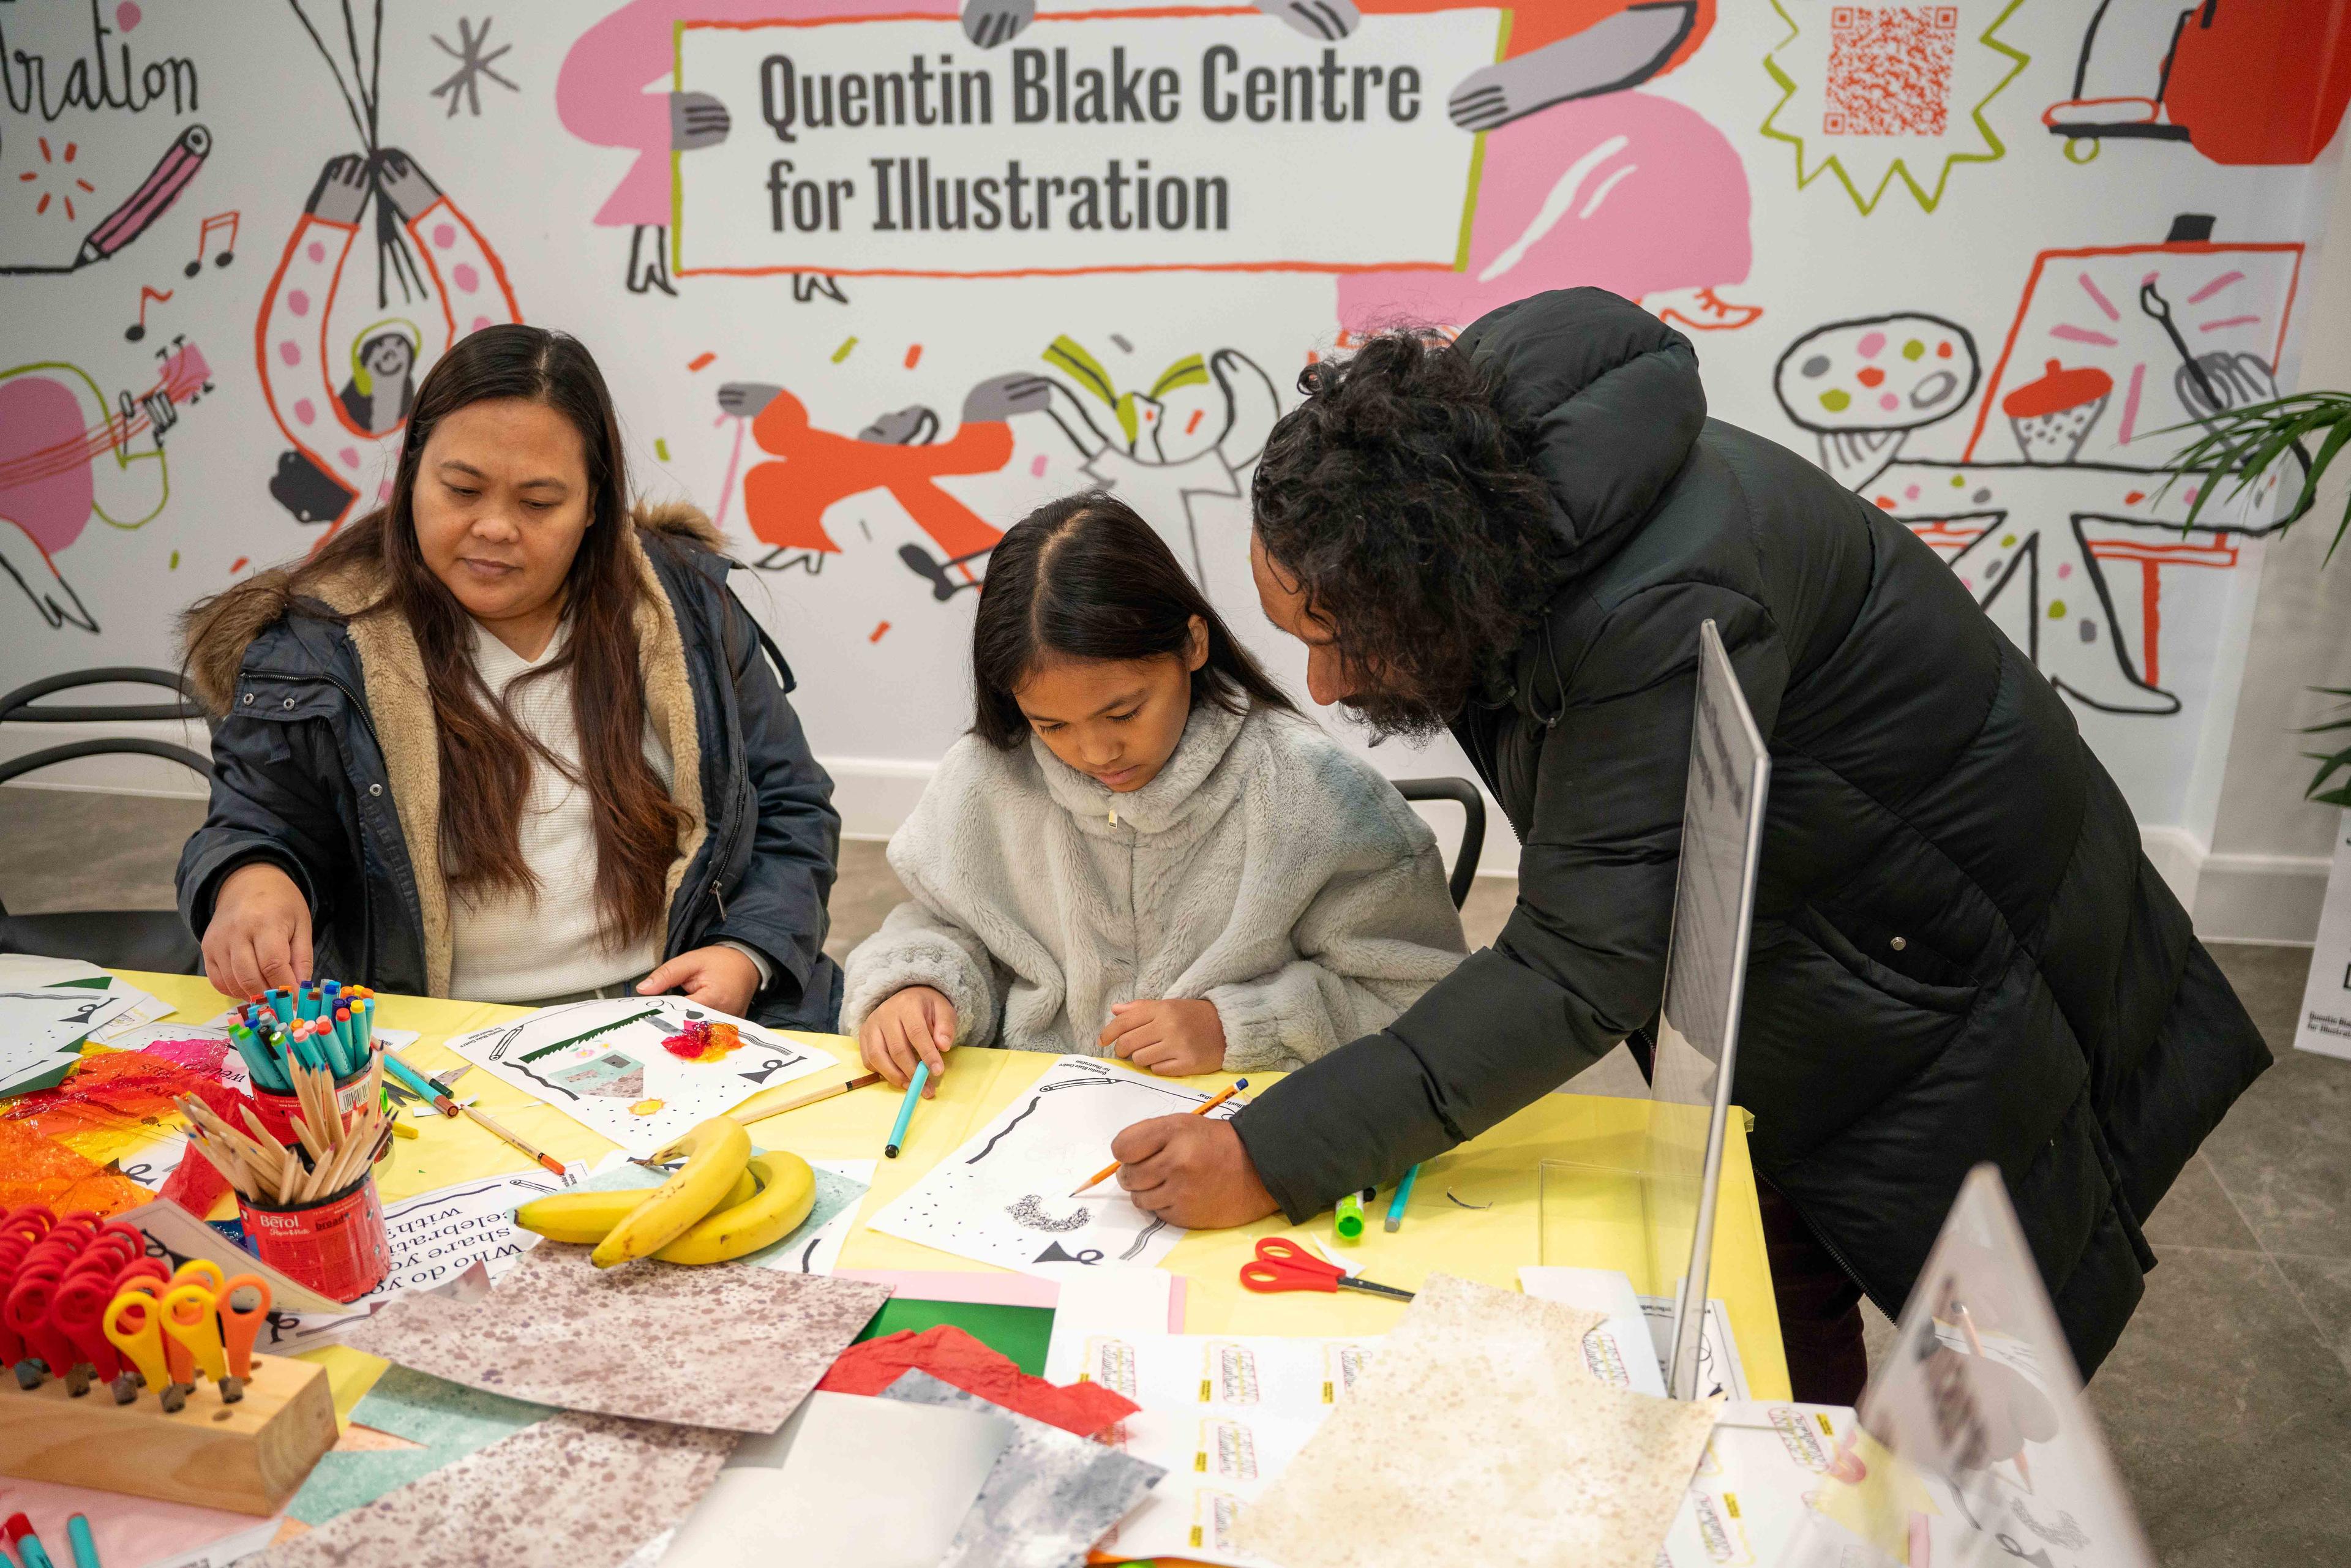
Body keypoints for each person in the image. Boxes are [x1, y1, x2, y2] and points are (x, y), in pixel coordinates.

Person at [1105, 288, 2270, 1400]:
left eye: (1341, 637)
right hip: (1842, 891)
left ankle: (1835, 1511)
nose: (1325, 681)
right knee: (1762, 1234)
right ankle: (1799, 1483)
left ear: (1432, 575)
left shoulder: (1652, 602)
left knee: (1934, 1313)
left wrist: (1274, 1153)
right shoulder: (1491, 487)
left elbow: (1577, 964)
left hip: (1934, 922)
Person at [179, 324, 842, 1028]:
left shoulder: (684, 609)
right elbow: (256, 821)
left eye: (538, 503)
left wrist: (747, 949)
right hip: (432, 1035)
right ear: (409, 478)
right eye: (462, 488)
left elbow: (791, 804)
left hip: (668, 1018)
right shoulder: (319, 646)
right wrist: (252, 881)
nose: (494, 527)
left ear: (595, 504)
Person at [846, 492, 1465, 1092]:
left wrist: (1238, 1028)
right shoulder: (987, 776)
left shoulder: (1312, 794)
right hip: (1025, 1130)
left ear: (1193, 644)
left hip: (1240, 1134)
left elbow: (1422, 1004)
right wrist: (918, 984)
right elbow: (941, 918)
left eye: (1124, 711)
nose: (1094, 753)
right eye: (1051, 724)